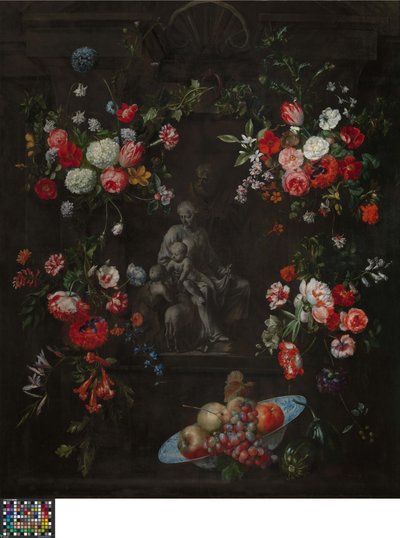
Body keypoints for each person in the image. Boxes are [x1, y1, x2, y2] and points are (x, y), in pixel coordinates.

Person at [158, 200, 250, 347]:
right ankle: (212, 333)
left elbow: (211, 258)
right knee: (205, 291)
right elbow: (163, 260)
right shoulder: (174, 232)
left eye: (187, 216)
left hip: (207, 275)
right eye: (181, 217)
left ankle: (231, 326)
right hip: (187, 279)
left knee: (243, 286)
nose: (184, 220)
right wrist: (176, 275)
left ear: (195, 214)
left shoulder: (202, 233)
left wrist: (222, 271)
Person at [166, 241, 217, 306]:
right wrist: (167, 275)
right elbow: (166, 270)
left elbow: (185, 272)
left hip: (198, 278)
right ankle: (199, 296)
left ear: (183, 254)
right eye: (172, 254)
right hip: (187, 280)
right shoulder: (172, 262)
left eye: (176, 255)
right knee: (186, 283)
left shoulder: (186, 261)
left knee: (212, 286)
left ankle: (213, 301)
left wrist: (180, 281)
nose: (173, 256)